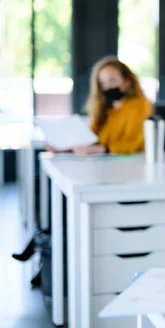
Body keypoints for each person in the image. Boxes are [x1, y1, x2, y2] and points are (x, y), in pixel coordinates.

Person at [13, 56, 152, 283]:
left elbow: (134, 145)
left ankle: (44, 244)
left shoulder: (138, 105)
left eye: (112, 80)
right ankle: (47, 243)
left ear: (126, 81)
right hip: (101, 168)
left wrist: (101, 149)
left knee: (67, 200)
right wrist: (65, 148)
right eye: (102, 83)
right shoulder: (105, 109)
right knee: (53, 189)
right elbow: (89, 140)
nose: (108, 87)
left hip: (126, 172)